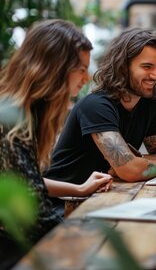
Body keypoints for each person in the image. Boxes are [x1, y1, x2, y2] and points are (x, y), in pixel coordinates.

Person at [0, 20, 112, 268]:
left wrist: (80, 189)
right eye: (81, 69)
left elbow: (28, 183)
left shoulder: (26, 113)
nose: (86, 77)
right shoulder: (10, 121)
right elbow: (35, 220)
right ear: (55, 67)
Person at [45, 28, 156, 192]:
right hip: (63, 202)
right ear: (123, 67)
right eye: (147, 66)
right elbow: (130, 170)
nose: (155, 75)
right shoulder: (97, 105)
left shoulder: (149, 103)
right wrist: (140, 165)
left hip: (101, 194)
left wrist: (134, 163)